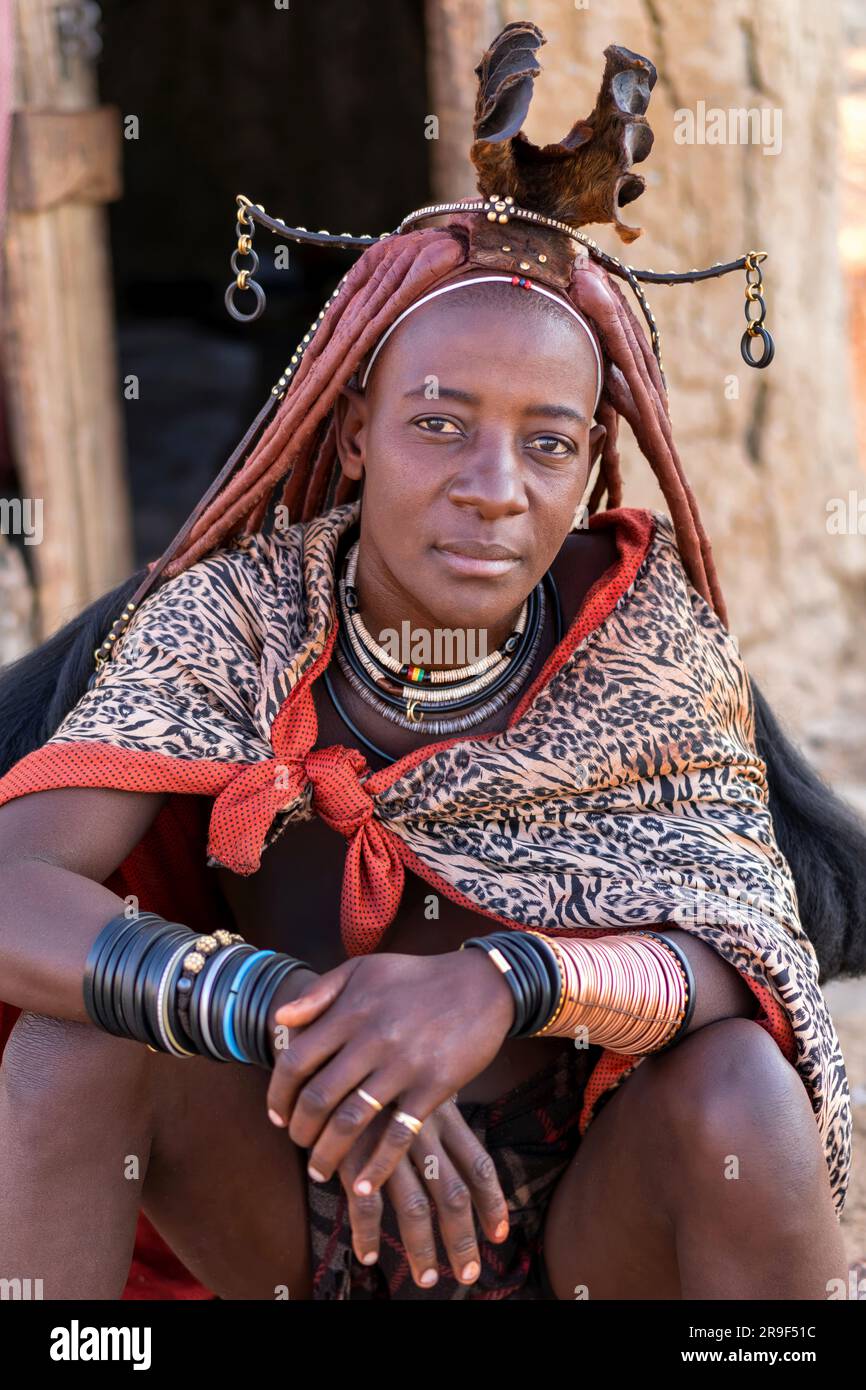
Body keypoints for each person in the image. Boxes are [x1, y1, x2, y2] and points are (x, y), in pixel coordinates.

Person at [0, 22, 862, 1302]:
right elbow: (14, 888)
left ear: (588, 464)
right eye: (439, 425)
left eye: (548, 445)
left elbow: (750, 949)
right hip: (291, 1208)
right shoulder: (242, 621)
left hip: (583, 1229)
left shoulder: (640, 646)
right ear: (353, 433)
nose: (493, 490)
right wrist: (293, 1011)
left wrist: (498, 985)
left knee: (739, 1082)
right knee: (76, 1045)